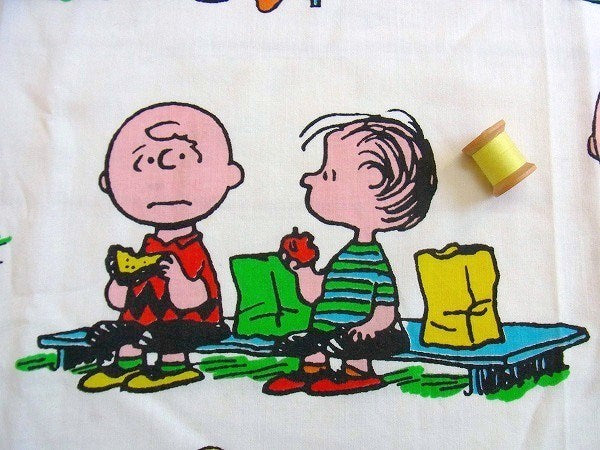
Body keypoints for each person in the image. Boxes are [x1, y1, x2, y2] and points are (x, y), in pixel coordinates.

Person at [263, 111, 437, 395]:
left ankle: (357, 372)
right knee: (308, 342)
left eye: (328, 174)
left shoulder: (374, 261)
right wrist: (304, 268)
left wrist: (370, 326)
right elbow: (316, 295)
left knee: (351, 344)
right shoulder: (345, 256)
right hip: (327, 329)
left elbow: (386, 308)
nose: (309, 179)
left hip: (362, 333)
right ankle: (311, 371)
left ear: (372, 181)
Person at [79, 102, 244, 393]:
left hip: (196, 323)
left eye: (182, 158)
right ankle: (126, 365)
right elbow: (119, 302)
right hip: (145, 322)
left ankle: (175, 367)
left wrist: (178, 277)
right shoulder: (147, 249)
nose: (166, 178)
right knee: (120, 332)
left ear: (230, 175)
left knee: (166, 333)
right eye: (144, 163)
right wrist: (121, 279)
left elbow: (194, 300)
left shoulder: (191, 249)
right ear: (108, 181)